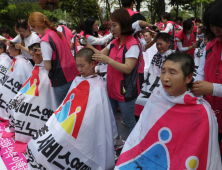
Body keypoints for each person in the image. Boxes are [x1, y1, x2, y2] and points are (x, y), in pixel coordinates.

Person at [115, 52, 222, 170]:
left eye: (172, 73)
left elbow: (203, 153)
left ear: (189, 77)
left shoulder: (202, 112)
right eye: (163, 72)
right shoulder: (156, 97)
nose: (165, 78)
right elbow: (141, 134)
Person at [26, 48, 118, 170]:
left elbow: (97, 115)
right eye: (77, 66)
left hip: (84, 126)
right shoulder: (77, 80)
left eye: (82, 66)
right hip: (69, 120)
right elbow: (66, 104)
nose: (79, 69)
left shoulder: (98, 86)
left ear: (92, 64)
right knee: (35, 144)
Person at [83, 8, 140, 136]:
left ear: (124, 24)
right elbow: (98, 54)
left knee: (129, 122)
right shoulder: (114, 42)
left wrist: (108, 60)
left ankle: (131, 149)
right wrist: (86, 43)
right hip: (112, 90)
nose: (112, 29)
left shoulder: (133, 45)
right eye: (111, 26)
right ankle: (114, 142)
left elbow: (127, 68)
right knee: (108, 118)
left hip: (126, 92)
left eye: (114, 25)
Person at [2, 43, 59, 153]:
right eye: (31, 55)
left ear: (42, 54)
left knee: (21, 111)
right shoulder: (36, 67)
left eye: (34, 55)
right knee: (13, 106)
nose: (32, 58)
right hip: (32, 96)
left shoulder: (47, 69)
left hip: (42, 101)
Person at [28, 12, 79, 106]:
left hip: (61, 79)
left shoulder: (45, 40)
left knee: (62, 111)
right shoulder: (58, 33)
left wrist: (43, 56)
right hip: (73, 74)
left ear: (37, 26)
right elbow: (60, 52)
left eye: (33, 28)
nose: (34, 31)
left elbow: (48, 67)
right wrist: (44, 52)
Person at [191, 0, 222, 146]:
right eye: (211, 25)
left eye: (218, 24)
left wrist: (213, 88)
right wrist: (196, 87)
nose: (215, 29)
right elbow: (201, 73)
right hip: (210, 114)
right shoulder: (210, 46)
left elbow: (211, 86)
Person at [135, 33, 174, 116]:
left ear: (168, 43)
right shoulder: (156, 55)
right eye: (157, 44)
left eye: (161, 44)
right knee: (139, 99)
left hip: (163, 86)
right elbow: (151, 71)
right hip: (150, 84)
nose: (158, 46)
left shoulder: (173, 57)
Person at [0, 42, 33, 127]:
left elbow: (22, 78)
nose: (8, 51)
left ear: (17, 50)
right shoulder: (16, 60)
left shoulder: (21, 63)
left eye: (10, 49)